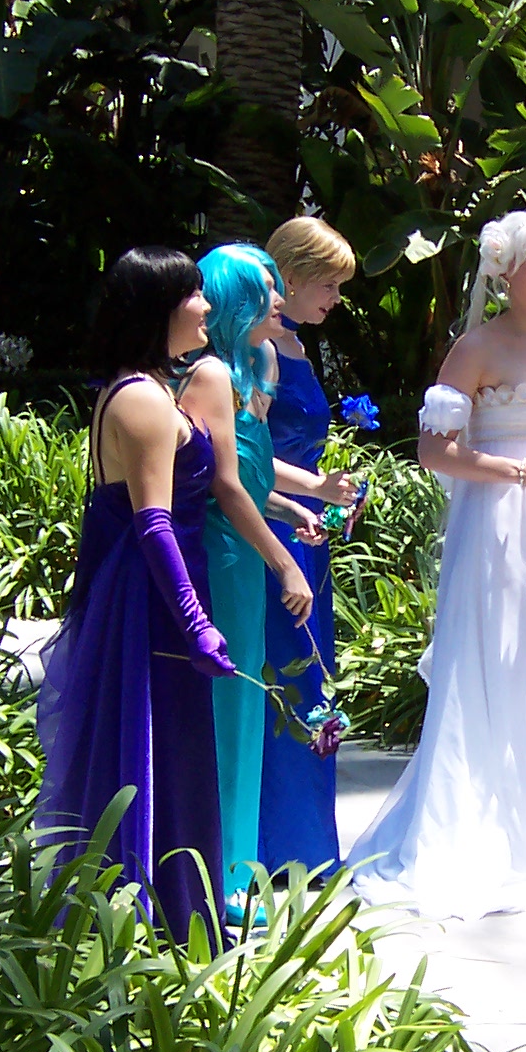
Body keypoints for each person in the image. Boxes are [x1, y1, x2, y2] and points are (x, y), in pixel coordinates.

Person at [350, 209, 526, 918]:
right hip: (495, 523)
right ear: (504, 270)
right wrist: (520, 473)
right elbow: (434, 451)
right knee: (492, 659)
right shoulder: (474, 348)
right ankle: (476, 826)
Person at [35, 248, 237, 936]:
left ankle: (163, 918)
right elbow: (153, 521)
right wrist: (194, 622)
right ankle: (158, 923)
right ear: (161, 308)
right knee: (162, 749)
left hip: (152, 591)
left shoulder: (138, 388)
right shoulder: (145, 398)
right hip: (153, 602)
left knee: (169, 751)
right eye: (193, 294)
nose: (205, 306)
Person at [194, 243, 322, 911]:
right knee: (226, 710)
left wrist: (294, 507)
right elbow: (223, 487)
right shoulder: (210, 376)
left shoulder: (244, 372)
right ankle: (217, 877)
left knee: (245, 708)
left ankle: (236, 871)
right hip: (223, 556)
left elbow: (250, 477)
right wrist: (283, 559)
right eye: (266, 286)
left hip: (245, 552)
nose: (279, 297)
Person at [256, 216, 362, 880]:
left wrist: (333, 493)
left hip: (308, 530)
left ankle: (306, 846)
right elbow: (246, 454)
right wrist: (315, 488)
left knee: (310, 679)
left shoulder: (294, 343)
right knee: (285, 677)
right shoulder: (262, 348)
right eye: (329, 283)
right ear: (290, 276)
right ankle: (278, 848)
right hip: (275, 528)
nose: (336, 298)